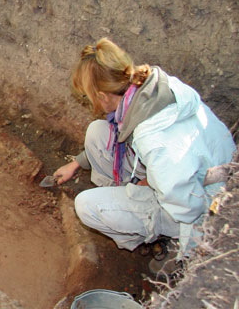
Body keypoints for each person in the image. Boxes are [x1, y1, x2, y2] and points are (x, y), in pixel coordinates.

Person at [52, 38, 235, 270]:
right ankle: (126, 202)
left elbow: (189, 207)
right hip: (197, 171)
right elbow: (155, 154)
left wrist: (189, 254)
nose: (90, 103)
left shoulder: (153, 142)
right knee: (97, 132)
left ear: (103, 96)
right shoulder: (150, 88)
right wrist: (76, 164)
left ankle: (165, 241)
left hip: (206, 205)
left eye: (89, 97)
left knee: (86, 205)